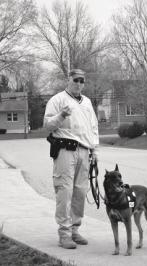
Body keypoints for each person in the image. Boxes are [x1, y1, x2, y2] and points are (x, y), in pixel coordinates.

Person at [43, 68, 99, 249]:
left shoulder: (87, 102)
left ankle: (75, 230)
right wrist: (61, 115)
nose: (79, 84)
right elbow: (47, 125)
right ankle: (64, 233)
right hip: (65, 150)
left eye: (82, 81)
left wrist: (94, 150)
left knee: (80, 192)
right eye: (76, 80)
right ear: (69, 79)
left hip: (84, 151)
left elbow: (93, 127)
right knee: (64, 191)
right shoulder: (58, 100)